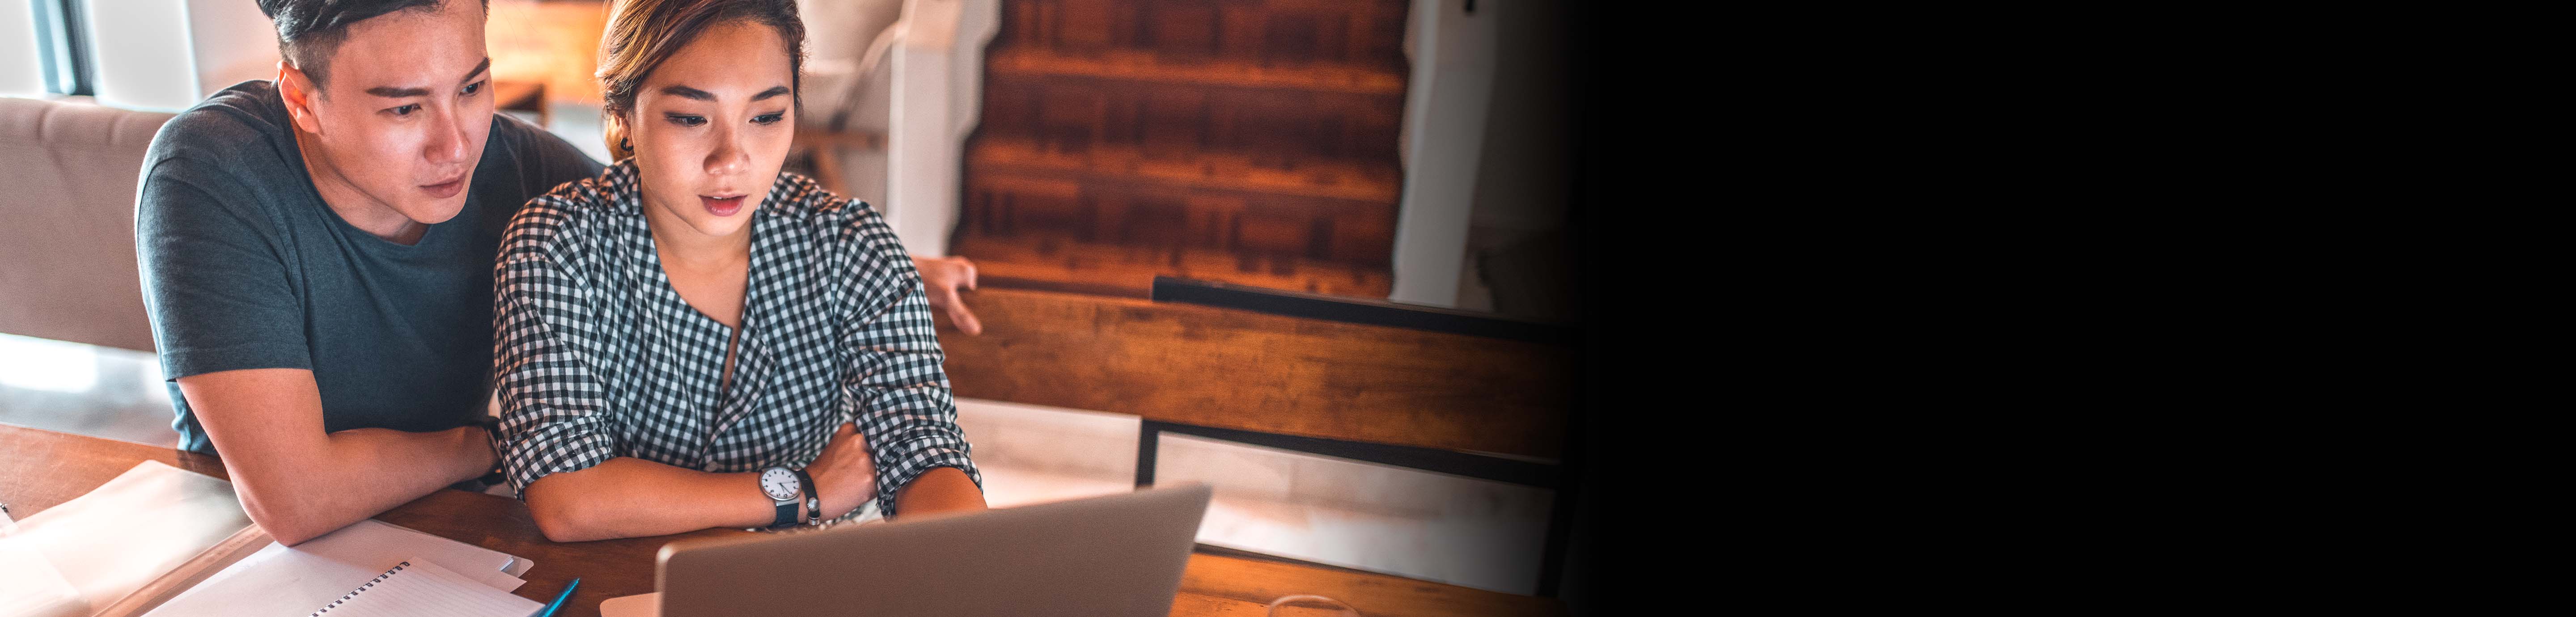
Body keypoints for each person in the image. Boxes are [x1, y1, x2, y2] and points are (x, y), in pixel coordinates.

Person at [134, 0, 979, 546]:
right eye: (405, 107)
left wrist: (882, 266)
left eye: (474, 88)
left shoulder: (517, 168)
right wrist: (508, 447)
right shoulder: (213, 171)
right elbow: (294, 499)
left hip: (459, 529)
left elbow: (678, 204)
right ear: (302, 99)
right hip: (249, 549)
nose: (456, 144)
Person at [492, 0, 984, 542]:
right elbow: (567, 497)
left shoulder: (851, 244)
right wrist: (802, 491)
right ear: (622, 114)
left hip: (817, 566)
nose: (731, 159)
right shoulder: (558, 245)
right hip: (629, 570)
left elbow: (923, 450)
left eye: (766, 117)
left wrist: (960, 559)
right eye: (691, 118)